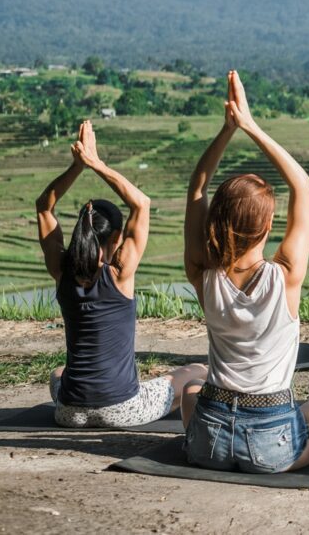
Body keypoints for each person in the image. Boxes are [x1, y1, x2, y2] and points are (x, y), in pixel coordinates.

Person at [180, 70, 309, 474]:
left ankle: (299, 444)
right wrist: (250, 125)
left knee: (193, 389)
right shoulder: (285, 276)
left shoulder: (202, 275)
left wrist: (227, 131)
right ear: (267, 228)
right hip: (270, 444)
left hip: (207, 442)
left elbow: (197, 187)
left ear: (216, 221)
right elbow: (300, 182)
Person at [36, 120, 206, 428]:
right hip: (123, 409)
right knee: (197, 371)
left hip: (69, 413)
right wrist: (95, 162)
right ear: (116, 237)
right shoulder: (119, 273)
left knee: (59, 374)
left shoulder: (60, 269)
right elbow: (141, 203)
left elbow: (44, 208)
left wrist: (77, 167)